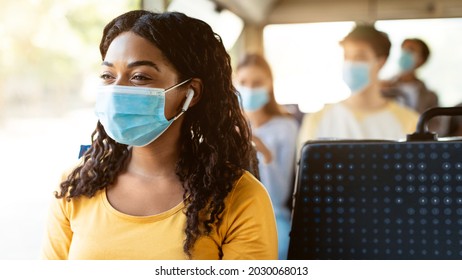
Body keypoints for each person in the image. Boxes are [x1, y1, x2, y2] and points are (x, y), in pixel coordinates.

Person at [41, 10, 277, 260]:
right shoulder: (74, 186)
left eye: (140, 77)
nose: (116, 91)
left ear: (190, 93)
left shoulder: (241, 198)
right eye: (108, 76)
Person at [297, 24, 419, 149]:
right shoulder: (317, 120)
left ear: (380, 62)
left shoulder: (410, 122)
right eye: (346, 57)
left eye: (360, 57)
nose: (351, 64)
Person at [234, 53, 299, 259]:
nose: (250, 89)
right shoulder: (226, 126)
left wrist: (263, 151)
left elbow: (279, 195)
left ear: (269, 84)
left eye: (257, 82)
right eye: (244, 82)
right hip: (232, 211)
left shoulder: (286, 127)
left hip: (273, 213)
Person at [381, 38, 439, 114]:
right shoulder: (383, 87)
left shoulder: (431, 97)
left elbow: (434, 123)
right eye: (403, 49)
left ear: (421, 59)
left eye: (410, 50)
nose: (405, 53)